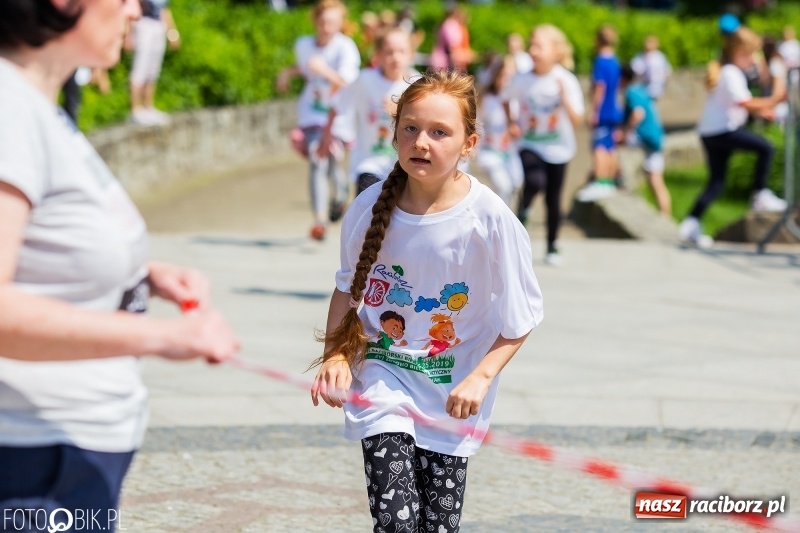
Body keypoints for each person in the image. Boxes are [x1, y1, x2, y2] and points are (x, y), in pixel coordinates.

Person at [0, 0, 240, 530]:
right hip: (33, 462)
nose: (136, 9)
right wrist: (158, 337)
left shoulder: (38, 107)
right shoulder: (10, 109)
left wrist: (139, 273)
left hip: (66, 459)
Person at [310, 69, 543, 533]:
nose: (422, 142)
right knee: (397, 523)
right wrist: (335, 353)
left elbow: (522, 316)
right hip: (383, 373)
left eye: (440, 132)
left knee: (438, 525)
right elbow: (347, 289)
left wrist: (479, 377)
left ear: (469, 143)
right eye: (411, 128)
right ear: (393, 133)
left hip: (452, 388)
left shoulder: (491, 219)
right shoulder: (368, 207)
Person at [679, 27, 788, 247]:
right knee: (765, 148)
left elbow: (740, 103)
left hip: (713, 131)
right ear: (738, 52)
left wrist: (763, 110)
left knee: (717, 182)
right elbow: (744, 102)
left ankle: (691, 223)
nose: (752, 60)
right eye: (749, 55)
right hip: (722, 130)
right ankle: (760, 195)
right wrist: (774, 100)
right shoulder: (730, 72)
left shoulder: (728, 71)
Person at [277, 0, 361, 241]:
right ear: (315, 20)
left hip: (338, 118)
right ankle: (320, 220)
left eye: (332, 22)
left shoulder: (346, 48)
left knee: (332, 163)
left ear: (340, 24)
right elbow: (306, 69)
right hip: (312, 114)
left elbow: (348, 83)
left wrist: (324, 70)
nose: (326, 27)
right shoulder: (304, 45)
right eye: (323, 21)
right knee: (317, 158)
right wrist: (287, 74)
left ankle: (341, 192)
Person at [503, 24, 584, 266]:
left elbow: (578, 119)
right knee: (535, 181)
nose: (533, 50)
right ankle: (525, 208)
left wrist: (564, 98)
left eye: (539, 45)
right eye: (532, 44)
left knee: (553, 197)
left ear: (556, 52)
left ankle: (552, 245)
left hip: (559, 148)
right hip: (529, 143)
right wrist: (512, 122)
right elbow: (507, 99)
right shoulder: (522, 79)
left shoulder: (565, 80)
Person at [320, 28, 417, 196]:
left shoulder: (417, 85)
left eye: (401, 51)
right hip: (369, 162)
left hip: (406, 166)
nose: (395, 57)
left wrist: (400, 113)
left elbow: (427, 122)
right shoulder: (365, 80)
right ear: (378, 56)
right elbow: (338, 103)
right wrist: (327, 135)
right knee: (366, 212)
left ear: (410, 54)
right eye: (389, 52)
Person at [576, 25, 622, 202]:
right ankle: (608, 182)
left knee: (599, 147)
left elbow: (600, 87)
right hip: (613, 110)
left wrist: (594, 110)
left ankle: (601, 182)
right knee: (610, 146)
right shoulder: (615, 61)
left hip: (603, 111)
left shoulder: (600, 61)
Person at [620, 65, 671, 216]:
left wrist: (624, 132)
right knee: (653, 178)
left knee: (656, 180)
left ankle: (664, 216)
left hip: (648, 139)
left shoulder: (631, 92)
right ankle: (662, 213)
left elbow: (638, 114)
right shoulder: (640, 89)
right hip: (653, 138)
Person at [477, 55, 522, 207]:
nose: (506, 81)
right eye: (503, 76)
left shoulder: (517, 100)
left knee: (516, 183)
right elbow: (477, 123)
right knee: (503, 187)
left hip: (509, 153)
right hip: (490, 152)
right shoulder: (487, 99)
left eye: (510, 77)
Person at [128, 0, 180, 126]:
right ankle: (136, 109)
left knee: (153, 69)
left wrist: (172, 33)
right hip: (143, 24)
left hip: (159, 26)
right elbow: (131, 6)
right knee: (140, 68)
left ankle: (148, 107)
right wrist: (128, 34)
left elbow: (164, 10)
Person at [430, 6, 473, 72]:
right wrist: (465, 56)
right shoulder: (451, 25)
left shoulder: (446, 25)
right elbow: (453, 48)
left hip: (441, 62)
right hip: (446, 64)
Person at [630, 34, 672, 101]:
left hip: (657, 88)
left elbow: (667, 71)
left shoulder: (660, 57)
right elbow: (635, 71)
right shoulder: (639, 57)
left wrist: (664, 83)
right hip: (643, 89)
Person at [761, 35, 788, 124]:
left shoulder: (775, 63)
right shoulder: (777, 60)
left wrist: (769, 106)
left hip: (779, 108)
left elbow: (778, 90)